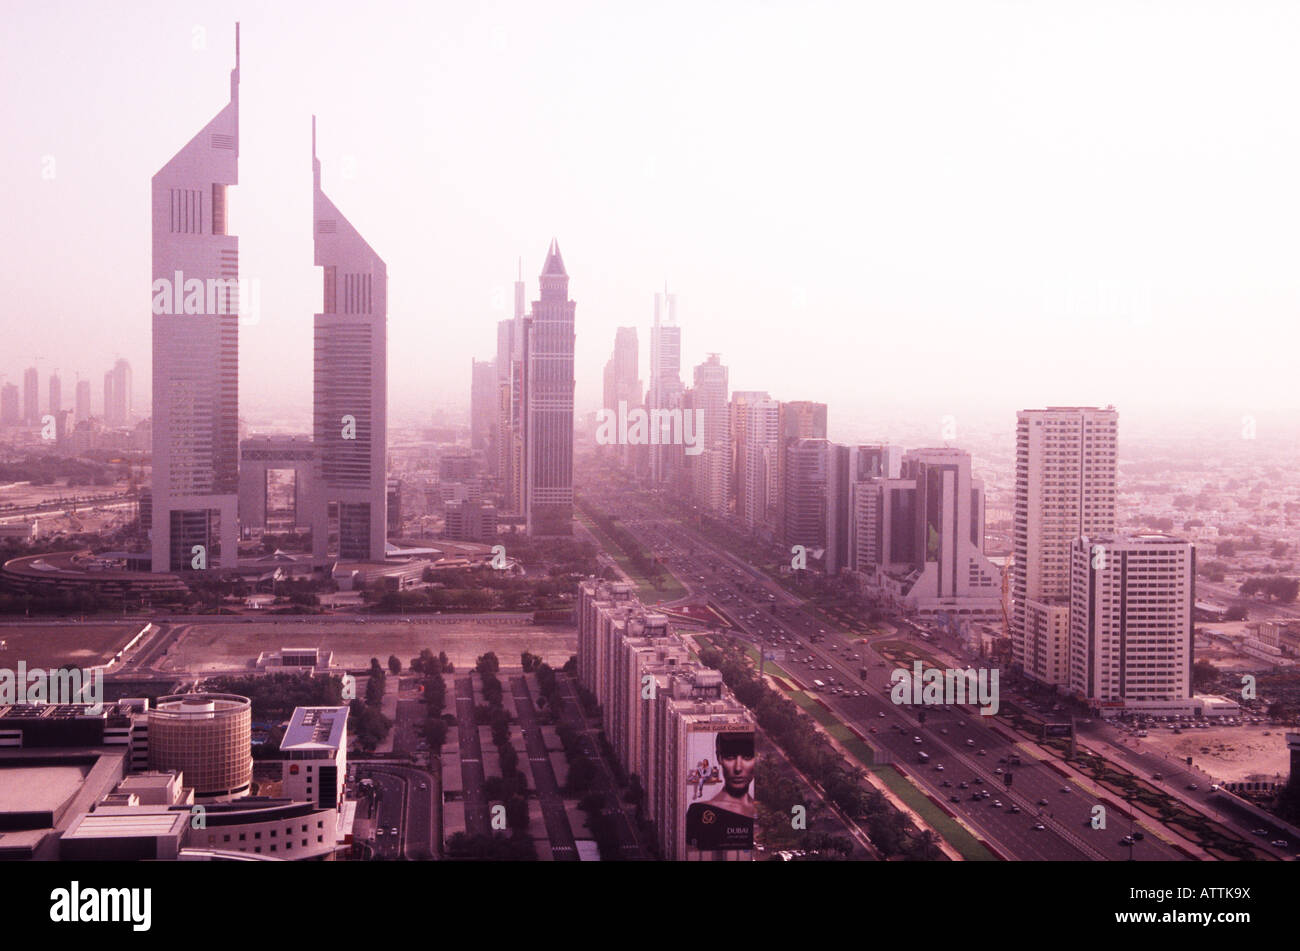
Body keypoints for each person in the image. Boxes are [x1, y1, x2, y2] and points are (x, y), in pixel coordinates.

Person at [686, 733, 756, 851]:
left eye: (747, 757)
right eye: (730, 757)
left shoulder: (766, 813)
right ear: (719, 758)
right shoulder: (698, 812)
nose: (738, 768)